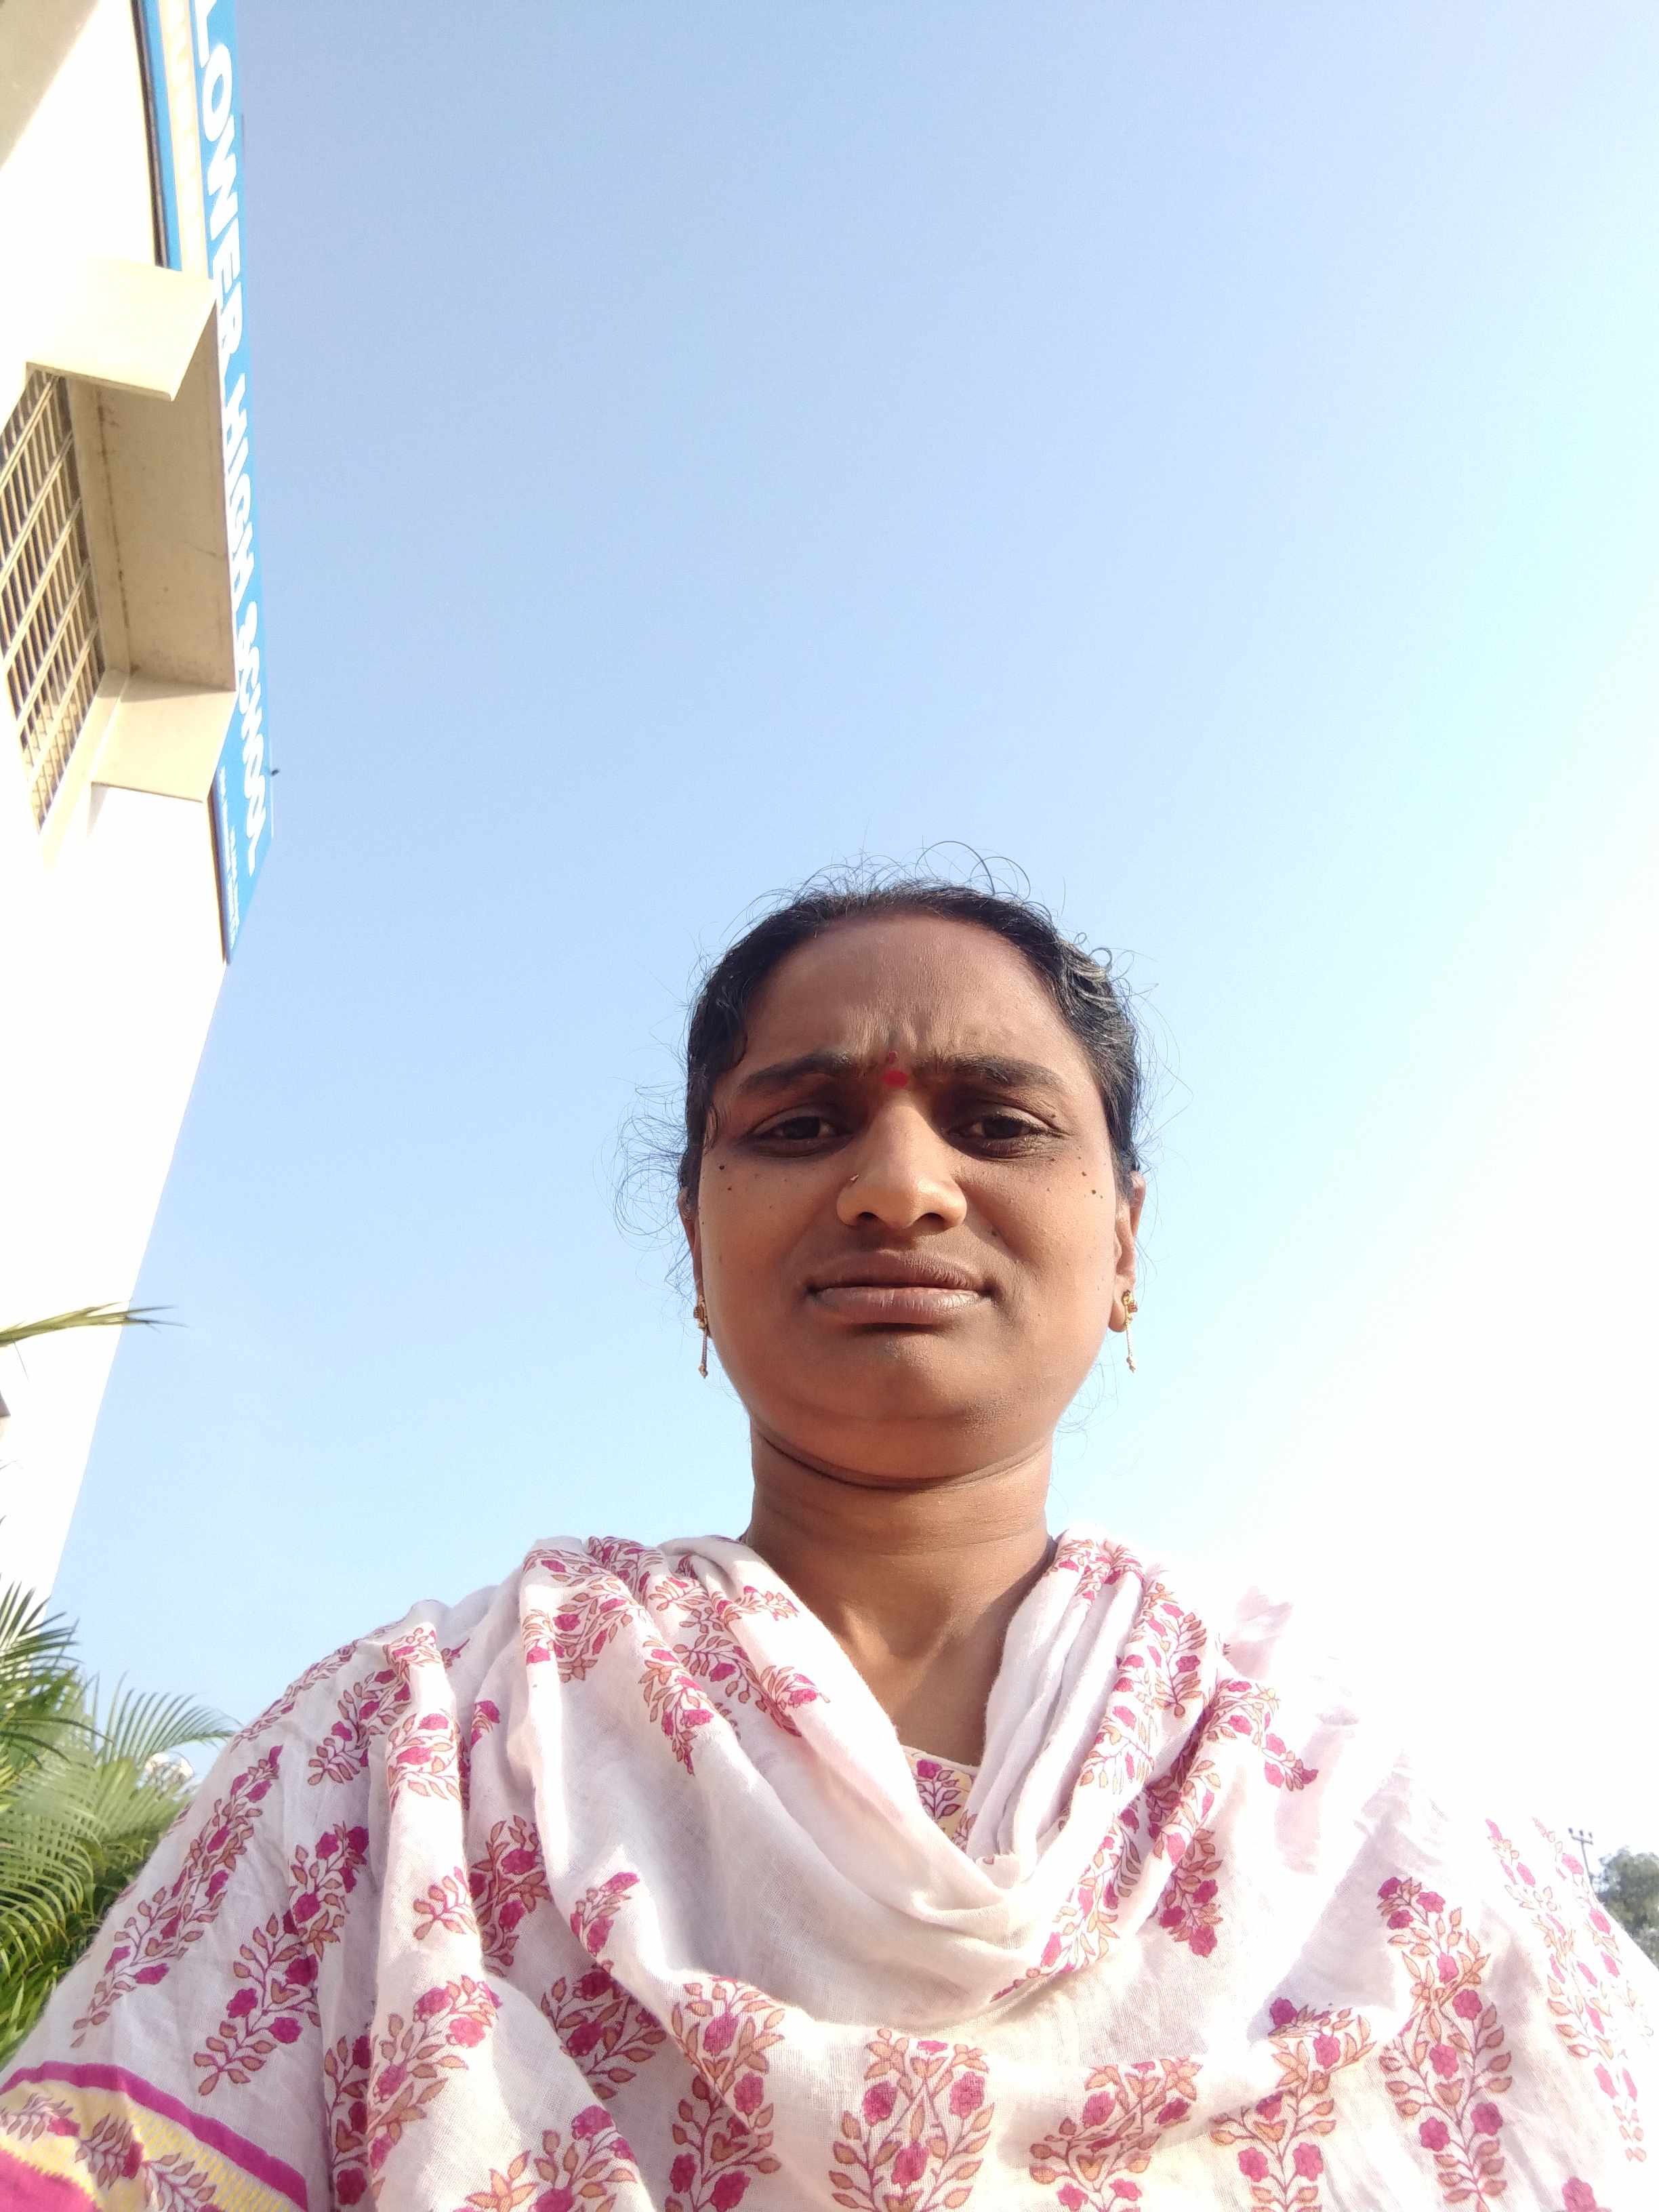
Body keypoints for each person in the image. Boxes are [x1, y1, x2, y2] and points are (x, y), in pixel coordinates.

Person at [3, 875, 1652, 2211]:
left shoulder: (1355, 1800)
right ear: (696, 1237)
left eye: (999, 1123)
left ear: (1127, 1241)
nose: (899, 1187)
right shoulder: (413, 1746)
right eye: (799, 1127)